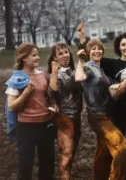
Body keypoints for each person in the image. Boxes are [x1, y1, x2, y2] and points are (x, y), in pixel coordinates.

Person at [77, 22, 126, 179]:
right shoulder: (104, 65)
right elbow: (91, 53)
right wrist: (82, 38)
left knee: (104, 151)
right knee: (120, 148)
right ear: (118, 47)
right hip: (106, 114)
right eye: (123, 44)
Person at [5, 43, 55, 180]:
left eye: (37, 54)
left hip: (46, 126)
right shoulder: (16, 79)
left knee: (48, 165)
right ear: (24, 58)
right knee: (25, 167)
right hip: (27, 128)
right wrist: (26, 92)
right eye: (34, 55)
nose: (38, 57)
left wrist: (52, 105)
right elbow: (12, 106)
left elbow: (48, 97)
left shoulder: (44, 75)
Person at [47, 43, 83, 180]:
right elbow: (53, 93)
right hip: (64, 118)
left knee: (71, 155)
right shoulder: (55, 75)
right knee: (66, 156)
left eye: (66, 52)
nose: (64, 55)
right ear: (55, 58)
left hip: (77, 118)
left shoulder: (75, 72)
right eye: (60, 53)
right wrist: (55, 73)